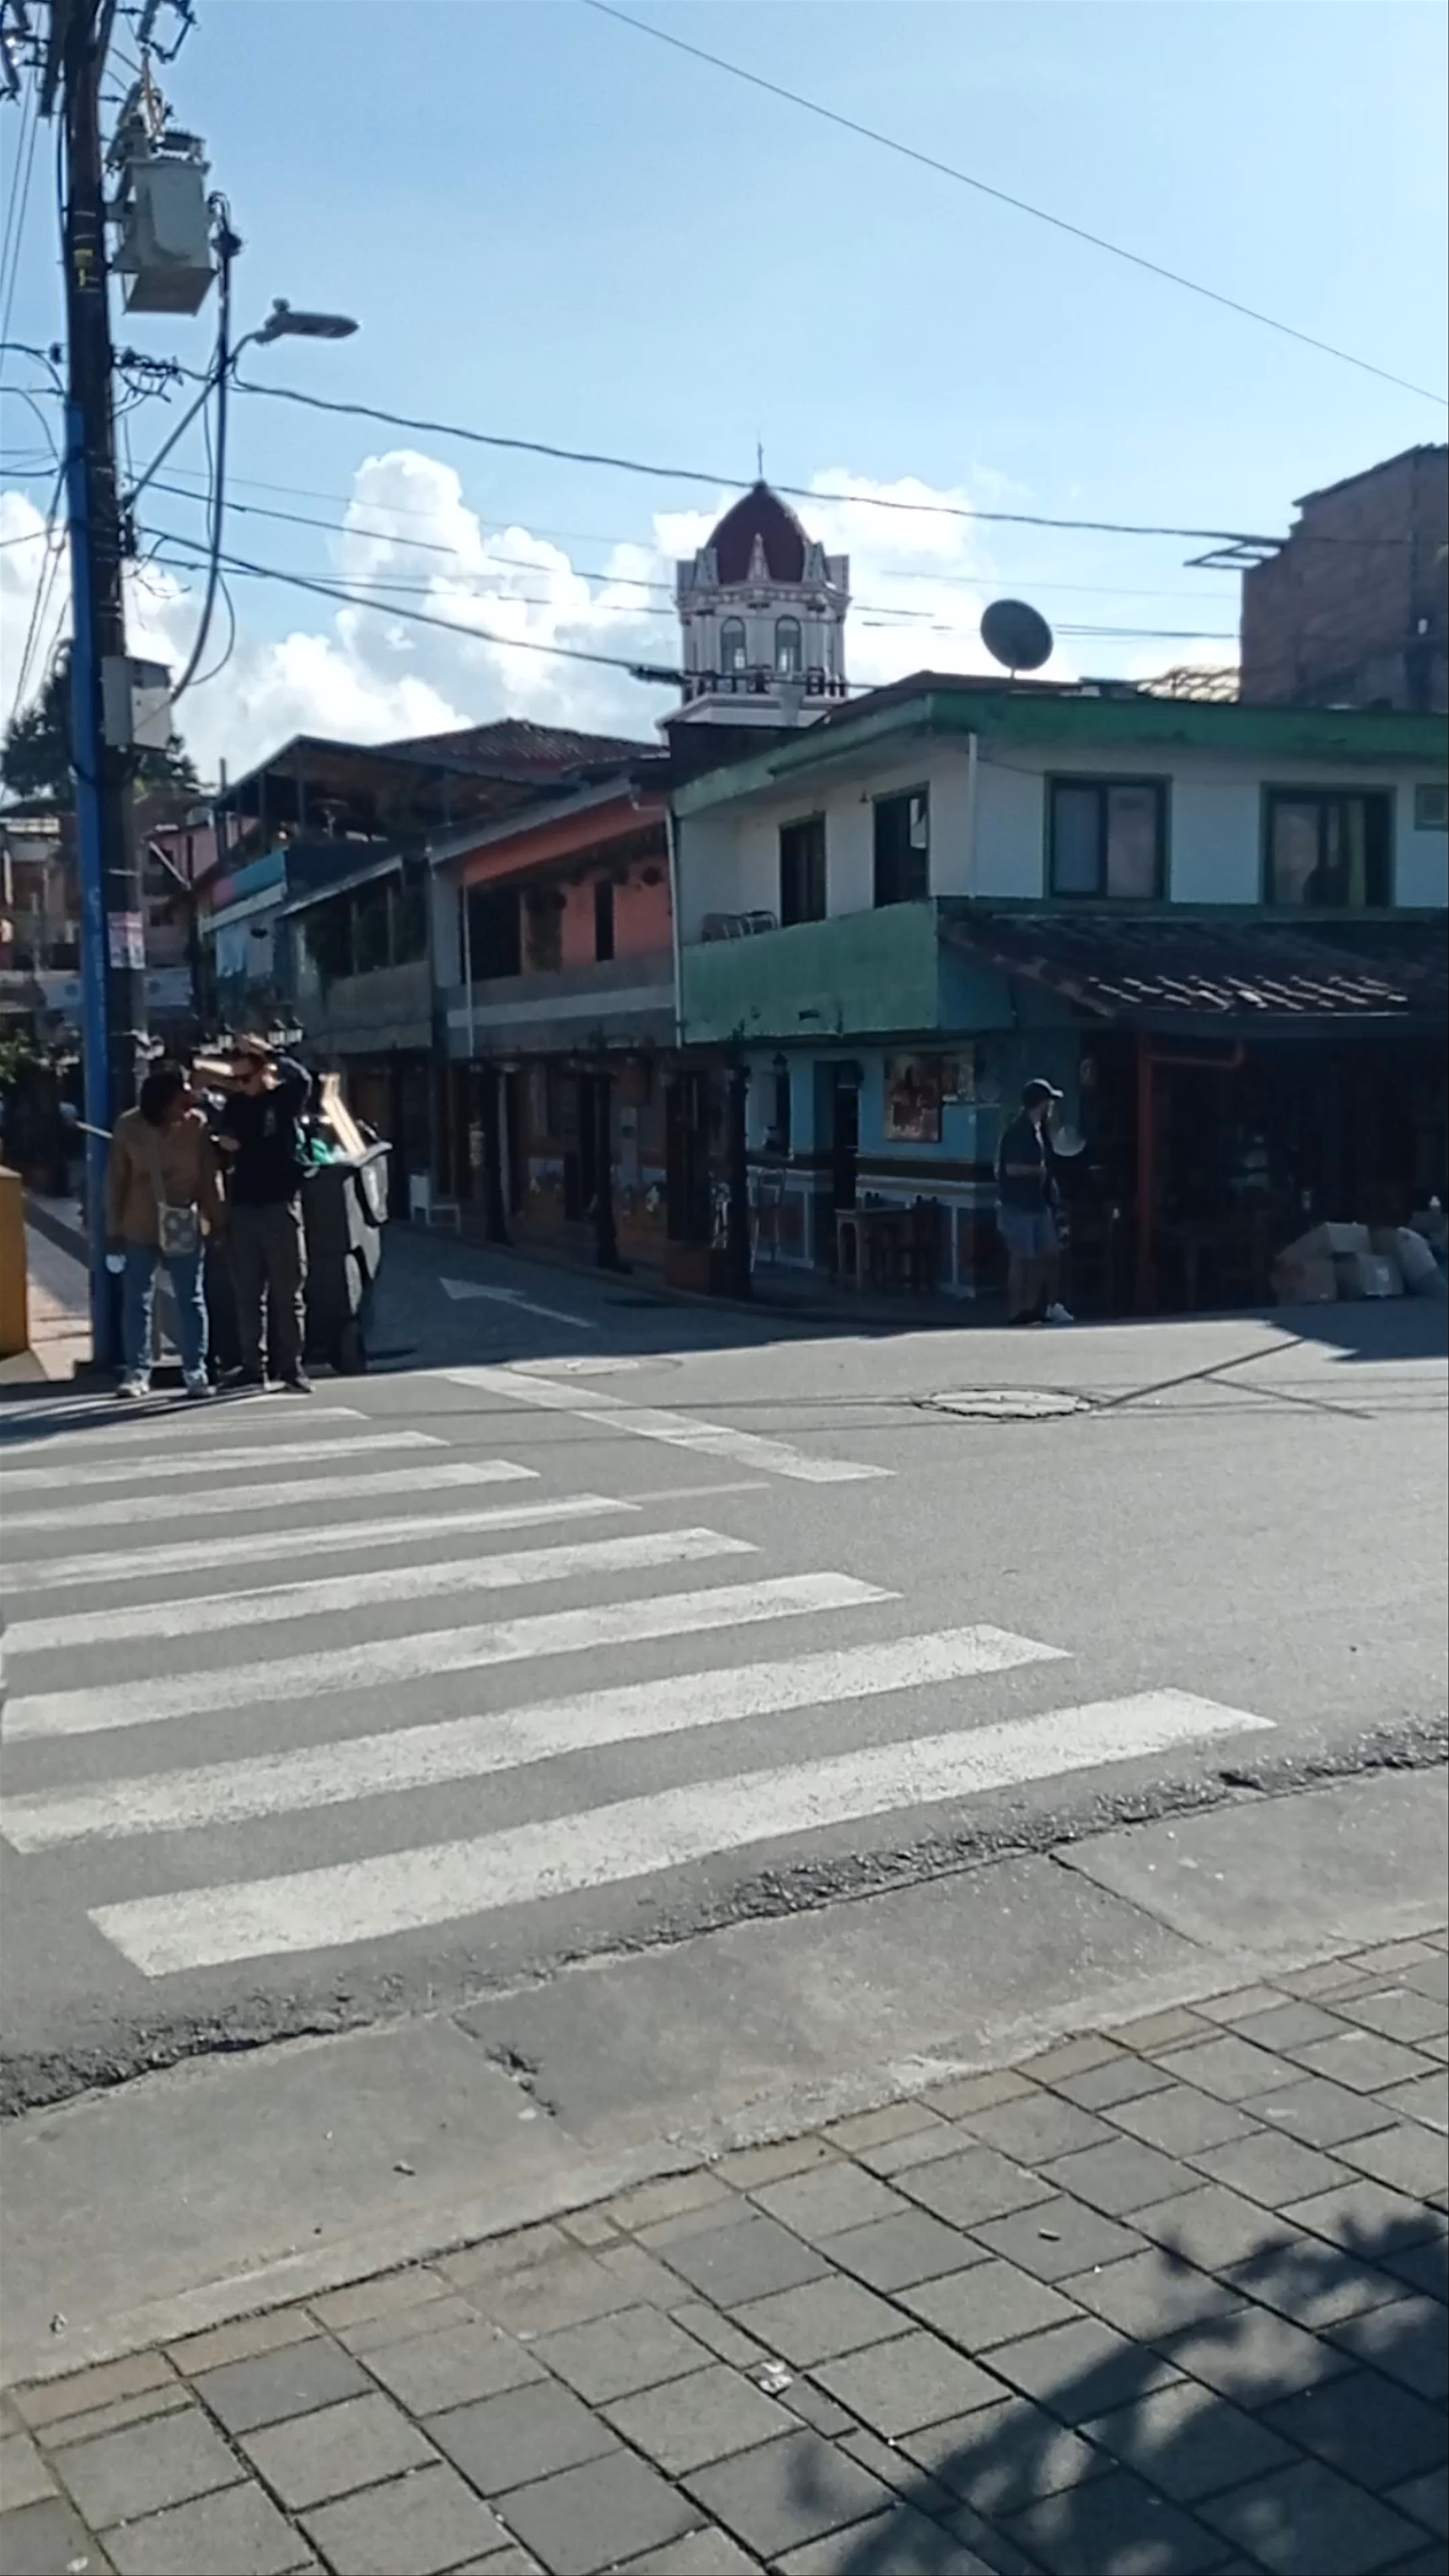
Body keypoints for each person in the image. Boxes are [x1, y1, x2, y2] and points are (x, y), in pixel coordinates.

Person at [106, 1061, 221, 1399]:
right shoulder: (129, 1127)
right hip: (140, 1223)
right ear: (162, 1100)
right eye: (180, 1093)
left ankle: (195, 1370)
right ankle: (137, 1372)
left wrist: (217, 1219)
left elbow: (208, 1177)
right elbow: (115, 1180)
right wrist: (113, 1229)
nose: (188, 1097)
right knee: (138, 1299)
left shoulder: (197, 1126)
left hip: (184, 1220)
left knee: (191, 1297)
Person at [217, 1035, 312, 1391]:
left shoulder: (283, 1100)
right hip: (244, 1204)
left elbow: (304, 1079)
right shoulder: (235, 1107)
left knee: (288, 1291)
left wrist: (272, 1054)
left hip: (280, 1202)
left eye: (246, 1078)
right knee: (247, 1292)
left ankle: (291, 1364)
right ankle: (252, 1365)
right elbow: (224, 1140)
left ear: (263, 1073)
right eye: (236, 1079)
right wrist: (225, 1145)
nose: (241, 1086)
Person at [996, 1077, 1074, 1327]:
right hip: (1018, 1204)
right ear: (1041, 1104)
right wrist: (1038, 1171)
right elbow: (1011, 1168)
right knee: (1022, 1259)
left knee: (1047, 1254)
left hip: (1038, 1203)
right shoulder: (1019, 1131)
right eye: (1049, 1102)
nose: (1051, 1107)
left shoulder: (1038, 1131)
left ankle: (1034, 1308)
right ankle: (1017, 1312)